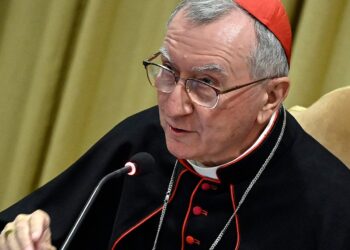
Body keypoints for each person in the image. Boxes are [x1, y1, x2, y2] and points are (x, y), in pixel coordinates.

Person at [1, 0, 350, 249]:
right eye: (168, 70)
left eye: (206, 83)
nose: (175, 105)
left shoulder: (333, 207)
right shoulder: (144, 143)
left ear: (271, 96)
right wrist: (19, 236)